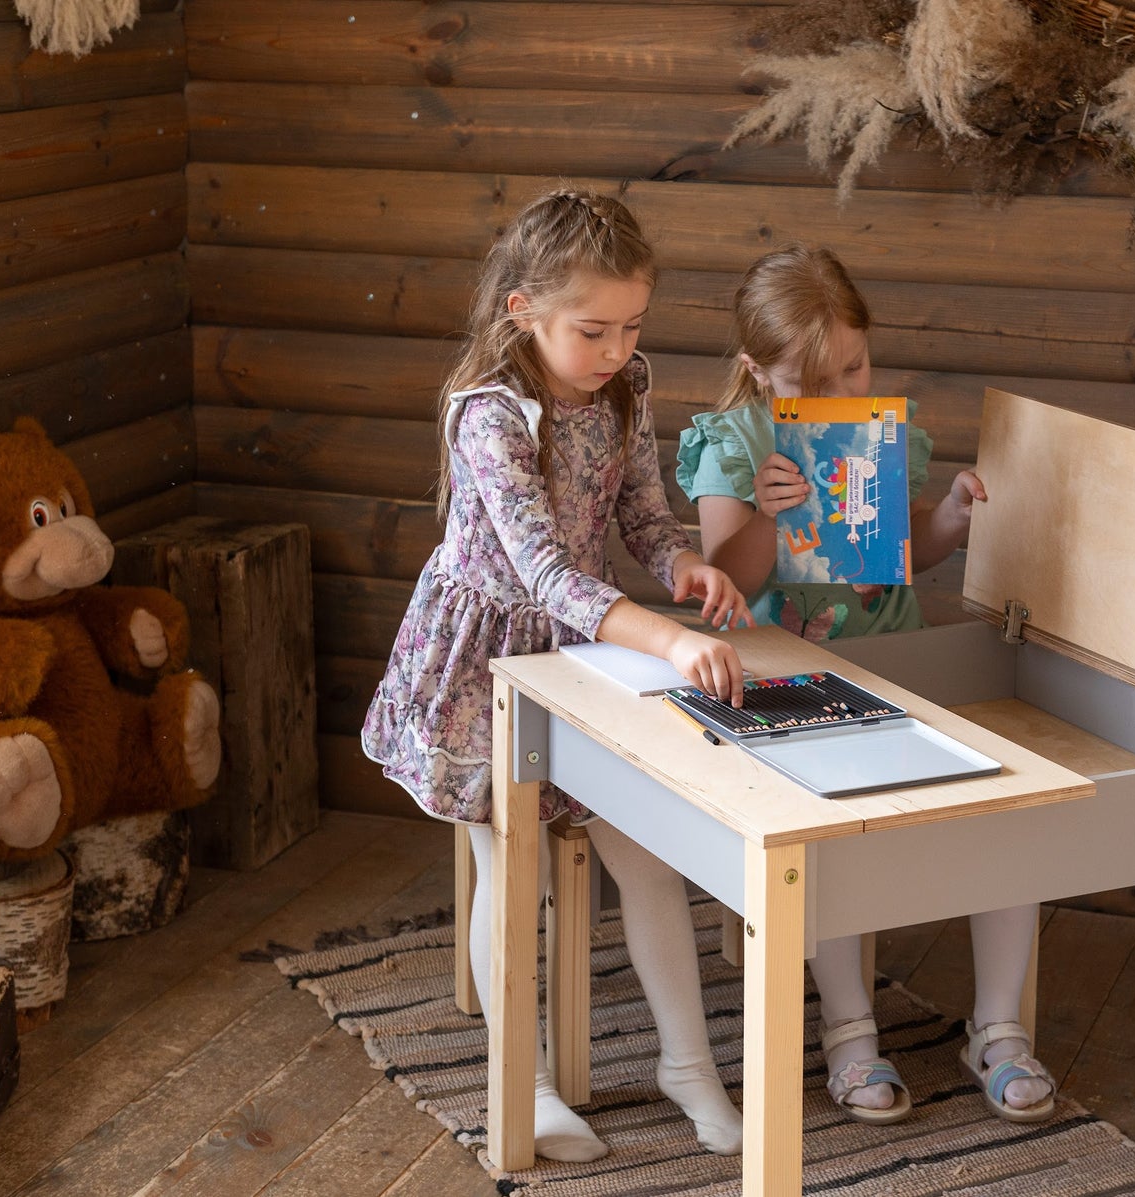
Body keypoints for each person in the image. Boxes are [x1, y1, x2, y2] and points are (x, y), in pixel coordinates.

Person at [362, 188, 752, 1160]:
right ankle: (526, 1083)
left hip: (581, 651)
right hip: (485, 662)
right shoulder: (488, 415)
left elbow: (642, 516)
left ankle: (688, 1066)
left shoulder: (624, 387)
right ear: (523, 310)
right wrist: (667, 642)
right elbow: (540, 572)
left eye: (633, 326)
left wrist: (683, 564)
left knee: (648, 849)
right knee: (515, 866)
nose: (617, 350)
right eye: (594, 330)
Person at [674, 244, 1056, 1125]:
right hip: (791, 690)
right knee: (834, 845)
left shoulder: (881, 432)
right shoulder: (732, 443)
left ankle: (999, 1025)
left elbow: (899, 552)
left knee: (1009, 811)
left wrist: (951, 517)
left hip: (902, 669)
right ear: (756, 372)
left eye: (855, 367)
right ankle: (849, 1030)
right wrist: (769, 516)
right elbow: (725, 581)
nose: (841, 395)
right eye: (812, 383)